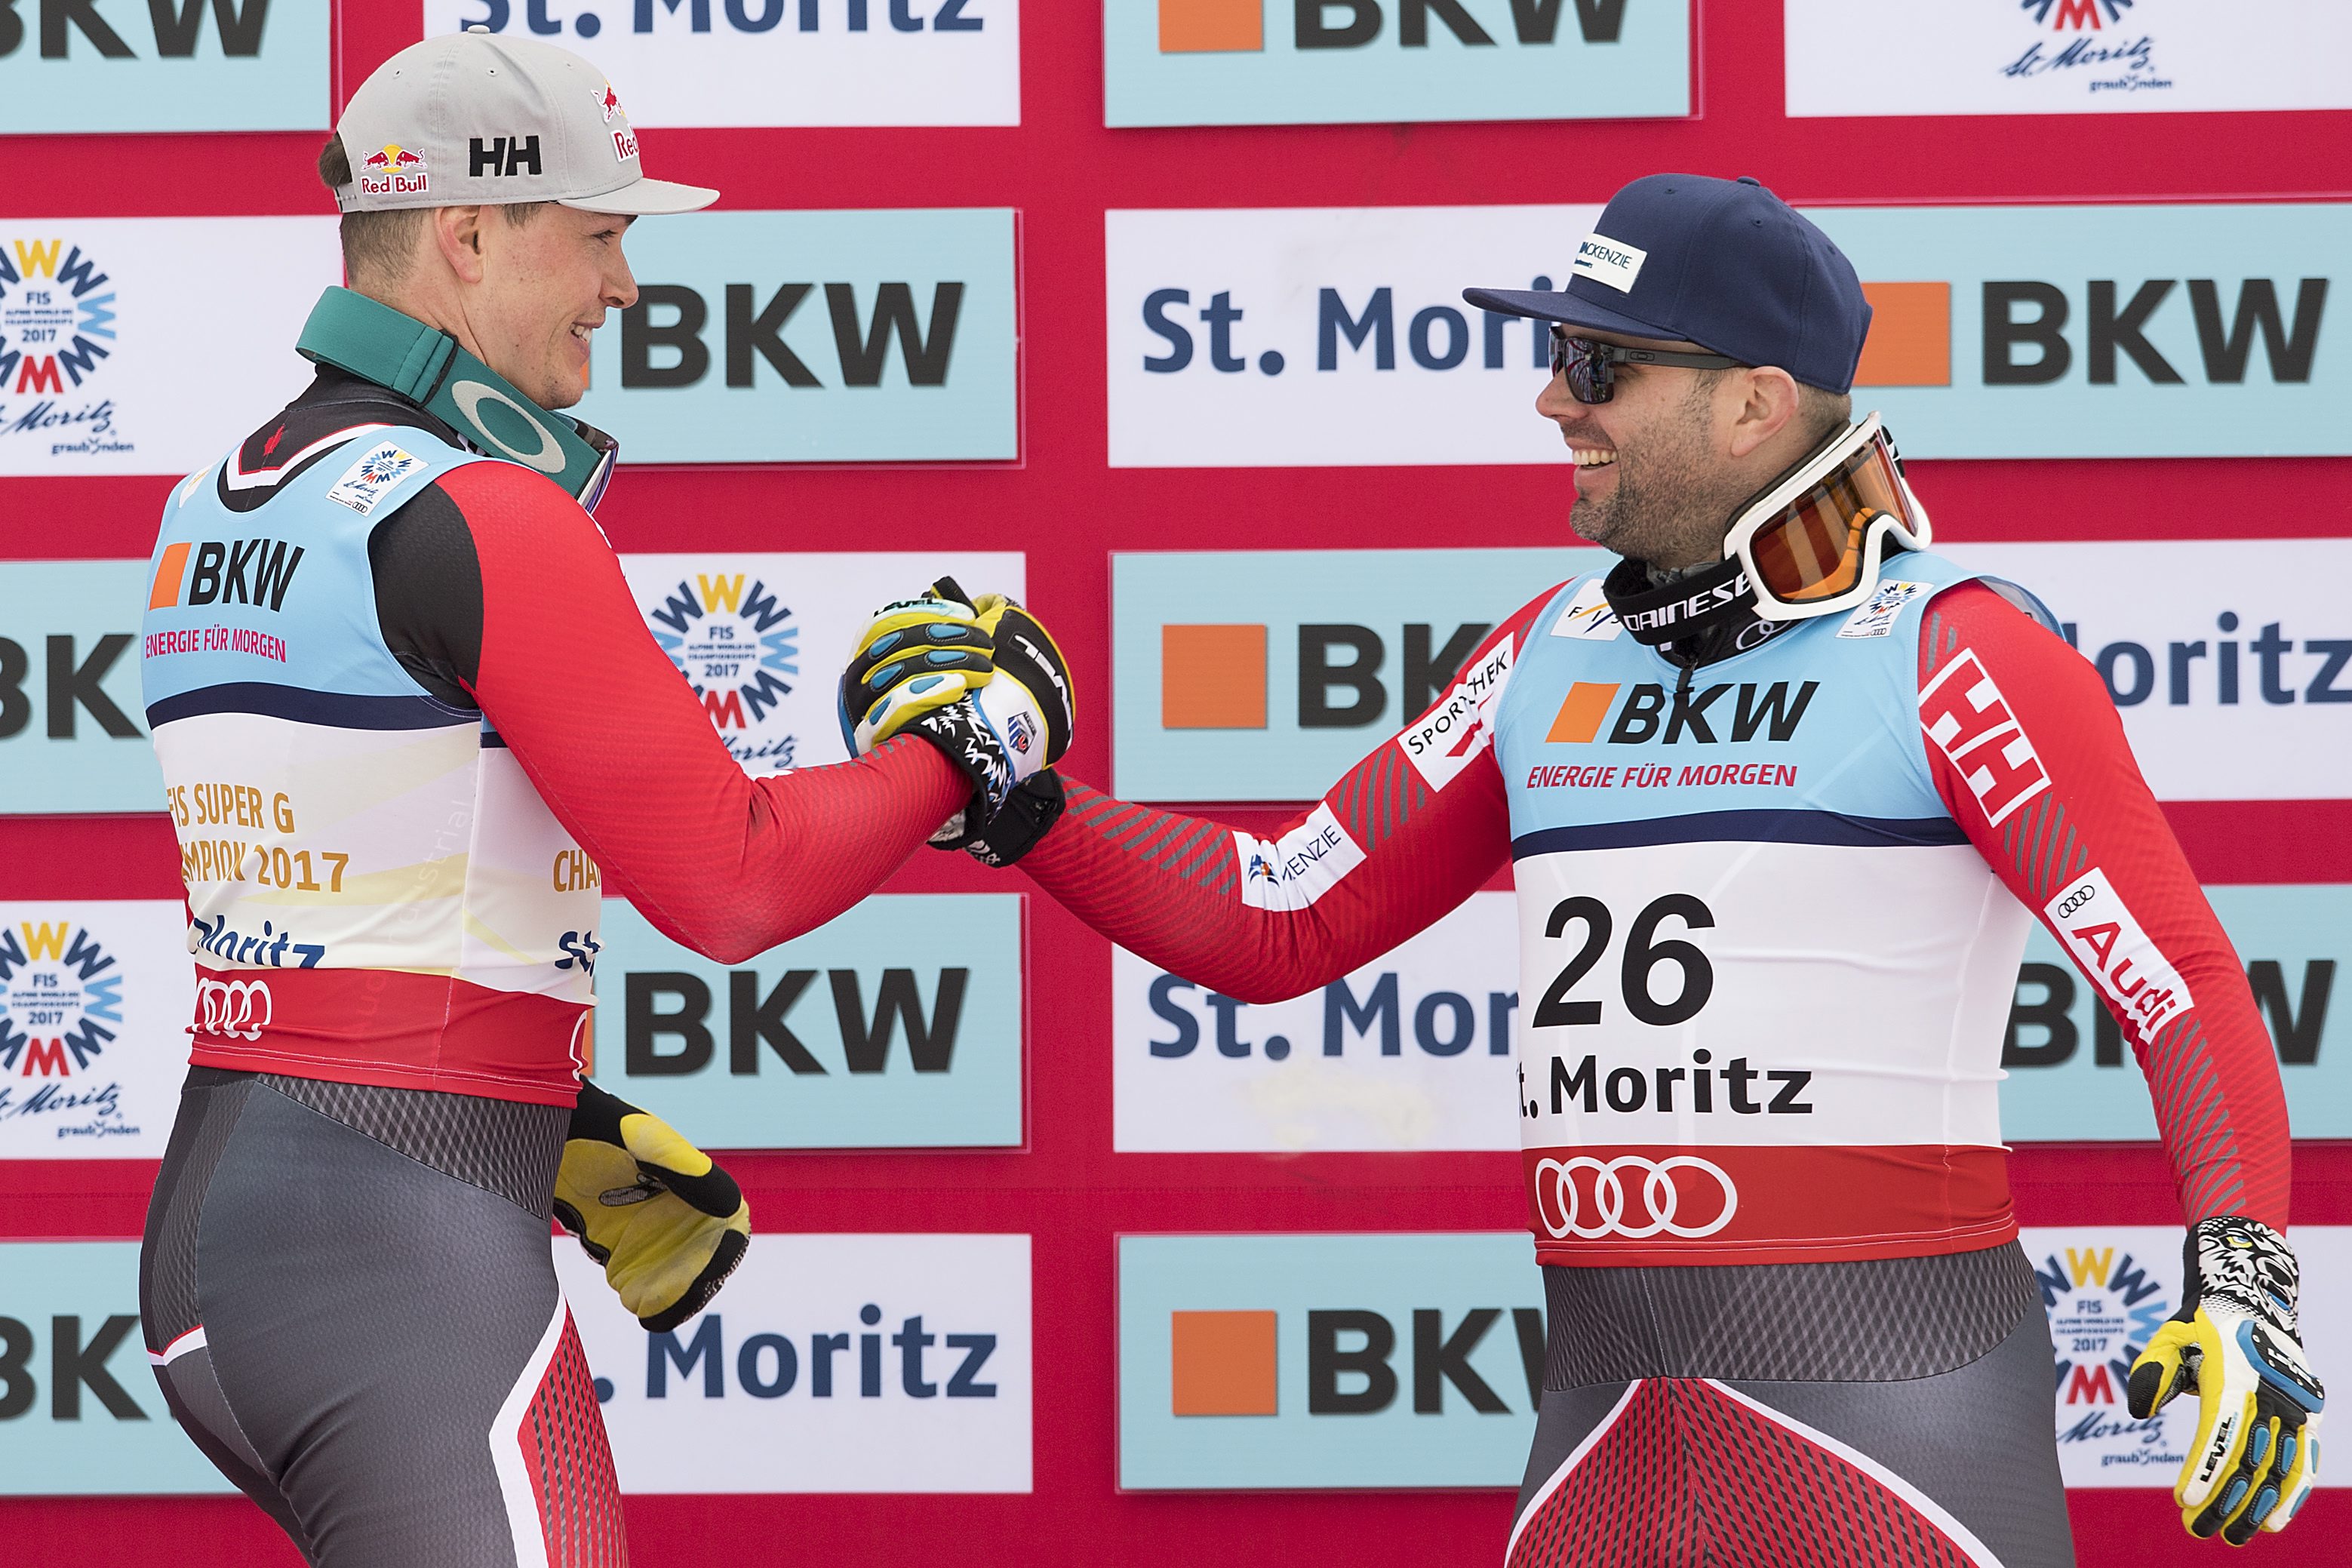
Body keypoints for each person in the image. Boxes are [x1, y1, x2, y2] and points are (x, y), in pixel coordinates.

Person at [851, 175, 2323, 1564]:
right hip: (1604, 1426)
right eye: (1560, 353)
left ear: (1752, 401)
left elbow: (2176, 977)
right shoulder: (1545, 653)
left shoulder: (1959, 651)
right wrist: (1015, 802)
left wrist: (2243, 1266)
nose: (1553, 397)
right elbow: (1274, 912)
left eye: (1600, 362)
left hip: (1900, 1430)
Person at [134, 32, 1069, 1566]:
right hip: (395, 1237)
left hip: (240, 1220)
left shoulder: (213, 501)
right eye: (602, 234)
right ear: (468, 230)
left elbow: (347, 892)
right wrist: (978, 740)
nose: (626, 289)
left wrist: (538, 1108)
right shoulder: (483, 510)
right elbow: (732, 879)